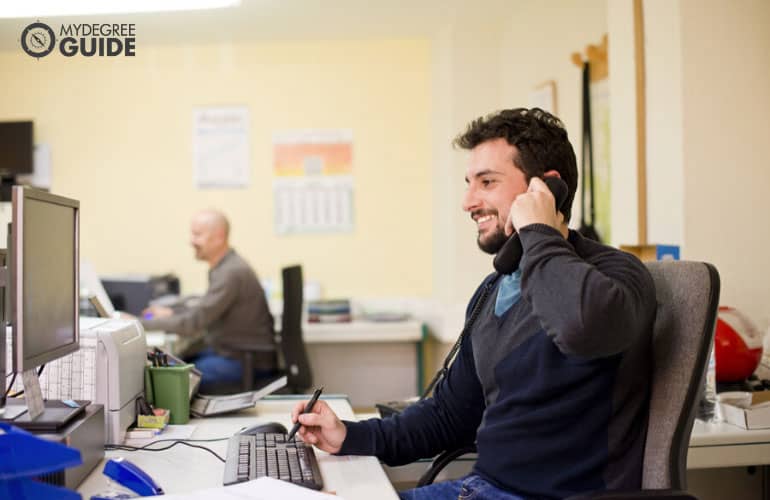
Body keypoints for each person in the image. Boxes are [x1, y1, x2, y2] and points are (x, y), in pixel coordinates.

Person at [289, 108, 657, 499]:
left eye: (487, 182)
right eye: (469, 183)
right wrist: (348, 435)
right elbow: (449, 416)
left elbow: (582, 328)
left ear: (546, 189)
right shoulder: (495, 288)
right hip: (479, 489)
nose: (468, 201)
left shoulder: (617, 275)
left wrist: (536, 229)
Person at [141, 209, 276, 389]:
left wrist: (138, 324)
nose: (191, 241)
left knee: (166, 378)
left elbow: (191, 324)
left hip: (245, 362)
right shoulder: (227, 266)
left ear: (219, 237)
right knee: (174, 363)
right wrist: (172, 312)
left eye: (197, 234)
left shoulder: (230, 273)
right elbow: (205, 306)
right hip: (237, 355)